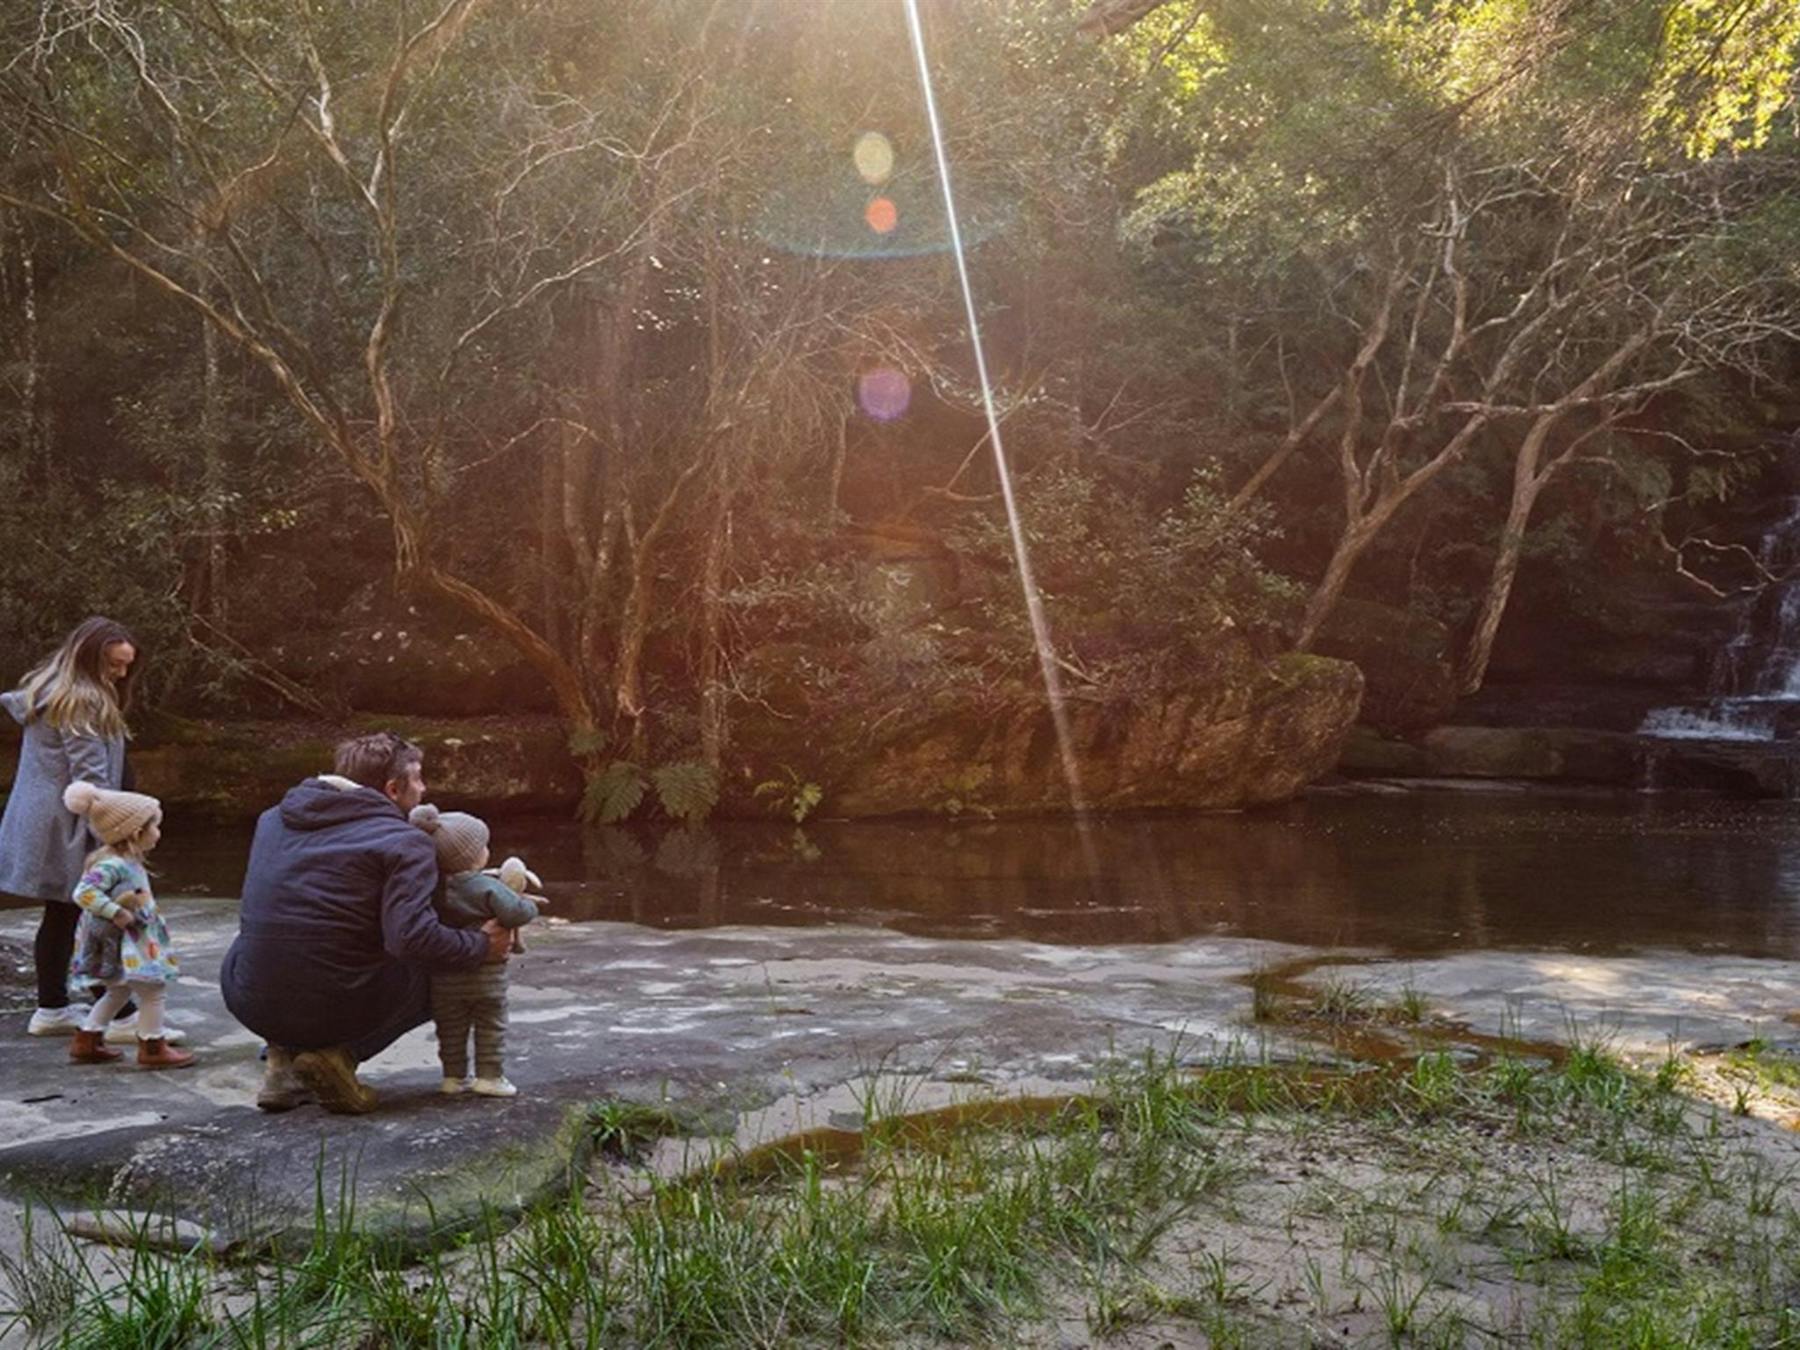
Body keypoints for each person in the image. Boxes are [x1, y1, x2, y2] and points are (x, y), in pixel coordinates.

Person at [220, 731, 509, 1114]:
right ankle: (340, 1057)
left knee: (275, 932)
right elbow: (413, 940)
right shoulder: (405, 842)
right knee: (447, 969)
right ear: (392, 789)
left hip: (249, 996)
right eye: (419, 779)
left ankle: (282, 1062)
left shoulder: (272, 820)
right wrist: (480, 946)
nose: (424, 789)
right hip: (334, 1002)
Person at [0, 616, 175, 1043]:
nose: (120, 674)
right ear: (87, 656)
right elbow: (90, 780)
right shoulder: (81, 701)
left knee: (62, 914)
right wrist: (119, 832)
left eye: (125, 667)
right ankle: (120, 1016)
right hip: (69, 824)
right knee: (101, 913)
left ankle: (52, 1008)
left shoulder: (49, 690)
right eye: (113, 665)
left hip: (40, 822)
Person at [408, 805, 544, 1098]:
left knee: (451, 1030)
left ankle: (453, 1077)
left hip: (444, 980)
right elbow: (514, 913)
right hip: (486, 977)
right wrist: (529, 906)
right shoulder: (484, 886)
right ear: (473, 856)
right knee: (490, 1026)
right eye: (483, 846)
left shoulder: (431, 889)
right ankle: (489, 1076)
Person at [62, 782, 194, 1069]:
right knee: (153, 989)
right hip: (128, 942)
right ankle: (152, 1045)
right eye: (155, 827)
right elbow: (83, 893)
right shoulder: (113, 865)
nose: (159, 833)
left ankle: (88, 1039)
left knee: (118, 991)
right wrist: (116, 913)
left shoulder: (126, 861)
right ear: (136, 832)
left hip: (133, 940)